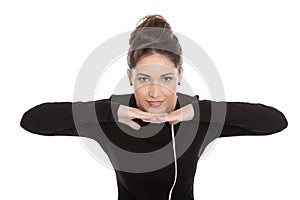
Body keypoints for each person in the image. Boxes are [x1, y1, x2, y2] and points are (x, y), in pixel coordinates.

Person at [20, 14, 288, 200]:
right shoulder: (112, 118)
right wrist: (108, 111)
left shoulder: (197, 118)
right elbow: (33, 121)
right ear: (130, 78)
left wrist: (201, 111)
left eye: (167, 78)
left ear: (180, 74)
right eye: (144, 79)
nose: (155, 92)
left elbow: (275, 122)